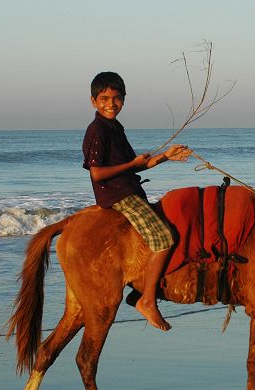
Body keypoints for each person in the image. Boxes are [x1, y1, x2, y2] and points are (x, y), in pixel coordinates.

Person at [82, 71, 192, 331]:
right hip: (118, 195)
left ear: (124, 100)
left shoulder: (115, 128)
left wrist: (166, 156)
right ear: (93, 101)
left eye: (117, 98)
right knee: (164, 239)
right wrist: (132, 163)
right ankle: (147, 300)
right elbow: (97, 173)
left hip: (129, 188)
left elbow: (134, 167)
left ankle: (138, 290)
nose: (111, 103)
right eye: (105, 98)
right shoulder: (97, 130)